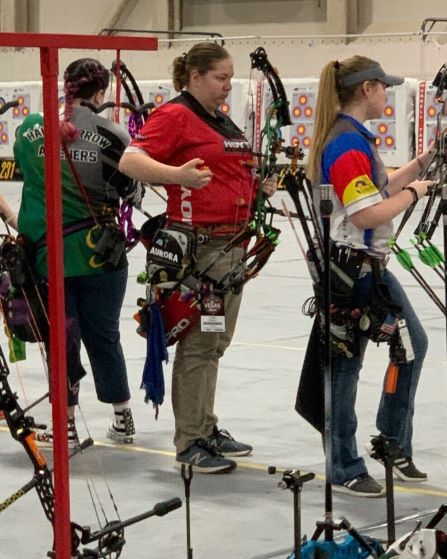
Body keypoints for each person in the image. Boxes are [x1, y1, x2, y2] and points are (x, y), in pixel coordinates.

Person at [119, 42, 277, 474]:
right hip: (199, 248)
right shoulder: (174, 115)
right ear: (194, 77)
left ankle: (205, 427)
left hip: (231, 245)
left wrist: (255, 185)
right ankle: (190, 441)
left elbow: (226, 167)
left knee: (215, 344)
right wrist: (177, 176)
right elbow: (131, 160)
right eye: (220, 78)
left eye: (230, 78)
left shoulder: (218, 117)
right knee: (200, 346)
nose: (228, 86)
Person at [302, 55, 435, 497]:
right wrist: (416, 192)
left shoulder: (353, 138)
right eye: (383, 87)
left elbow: (377, 189)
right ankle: (344, 467)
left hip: (363, 269)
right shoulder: (346, 145)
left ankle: (392, 443)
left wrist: (422, 164)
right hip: (352, 271)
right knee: (345, 368)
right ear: (365, 89)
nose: (387, 94)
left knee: (410, 345)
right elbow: (366, 214)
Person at [13, 58, 143, 446]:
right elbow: (132, 193)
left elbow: (26, 171)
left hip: (48, 255)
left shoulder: (29, 129)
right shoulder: (114, 134)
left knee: (61, 338)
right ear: (100, 93)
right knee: (104, 336)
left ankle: (65, 425)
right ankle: (123, 419)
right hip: (100, 256)